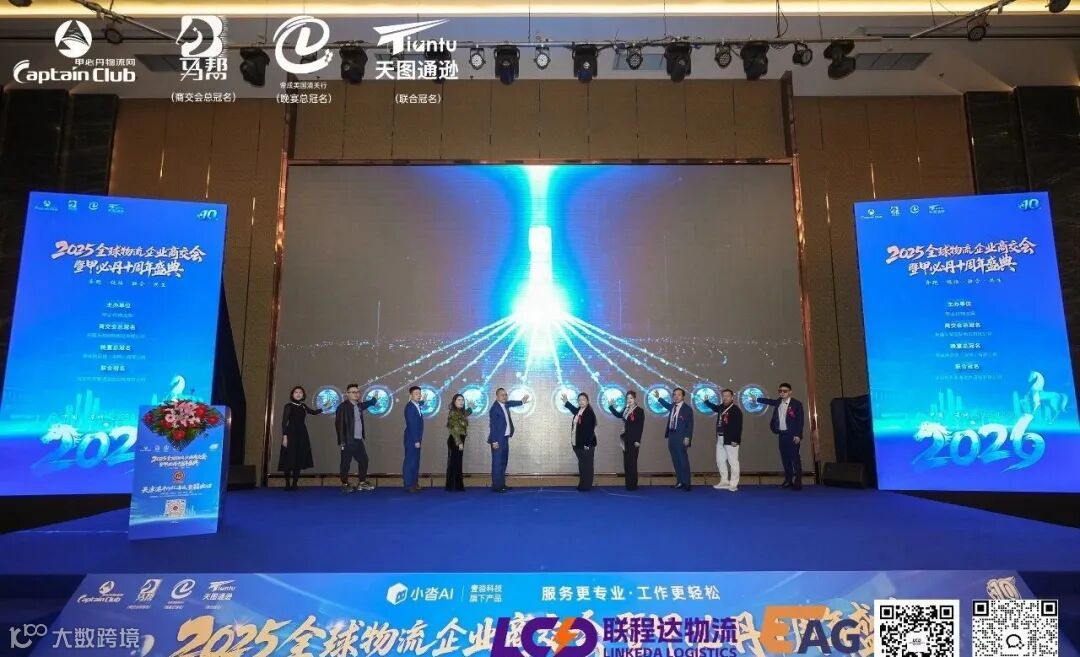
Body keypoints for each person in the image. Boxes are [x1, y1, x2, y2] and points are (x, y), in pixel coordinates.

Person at [756, 382, 806, 490]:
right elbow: (770, 402)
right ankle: (788, 480)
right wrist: (757, 399)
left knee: (795, 459)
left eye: (785, 391)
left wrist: (798, 435)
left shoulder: (797, 404)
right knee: (785, 459)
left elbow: (800, 421)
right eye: (780, 391)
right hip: (782, 434)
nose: (782, 393)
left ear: (790, 392)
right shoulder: (779, 401)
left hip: (792, 435)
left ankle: (798, 482)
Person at [335, 384, 379, 493]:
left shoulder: (358, 405)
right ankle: (345, 484)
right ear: (347, 394)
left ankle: (362, 482)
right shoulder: (342, 407)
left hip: (358, 440)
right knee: (345, 463)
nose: (356, 394)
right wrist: (342, 442)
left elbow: (367, 404)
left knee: (364, 460)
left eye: (357, 392)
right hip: (347, 440)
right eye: (353, 392)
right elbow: (339, 425)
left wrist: (373, 400)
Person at [278, 385, 323, 491]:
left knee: (298, 458)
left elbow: (313, 412)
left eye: (300, 392)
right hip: (290, 434)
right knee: (288, 459)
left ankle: (295, 484)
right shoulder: (288, 406)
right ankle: (287, 484)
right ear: (292, 394)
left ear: (303, 395)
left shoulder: (303, 406)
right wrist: (284, 437)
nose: (298, 394)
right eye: (296, 392)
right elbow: (284, 422)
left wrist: (324, 407)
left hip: (302, 434)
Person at [487, 387, 529, 493]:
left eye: (506, 394)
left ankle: (502, 484)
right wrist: (494, 441)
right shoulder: (494, 408)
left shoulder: (505, 404)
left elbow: (511, 403)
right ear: (497, 396)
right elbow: (493, 426)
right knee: (497, 464)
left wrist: (522, 402)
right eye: (502, 395)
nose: (505, 396)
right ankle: (497, 486)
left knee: (503, 462)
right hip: (497, 440)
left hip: (505, 439)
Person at [703, 388, 744, 491]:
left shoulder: (735, 410)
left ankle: (733, 484)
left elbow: (738, 427)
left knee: (733, 462)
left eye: (727, 396)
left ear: (732, 397)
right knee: (720, 460)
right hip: (720, 438)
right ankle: (724, 481)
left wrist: (735, 439)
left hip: (731, 440)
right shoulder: (721, 407)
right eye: (724, 396)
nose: (725, 398)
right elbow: (715, 408)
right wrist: (707, 402)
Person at [655, 387, 694, 491]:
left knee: (683, 460)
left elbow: (690, 425)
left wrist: (687, 437)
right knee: (675, 460)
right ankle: (680, 481)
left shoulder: (687, 409)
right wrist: (659, 398)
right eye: (674, 395)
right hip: (672, 436)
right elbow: (666, 404)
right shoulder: (672, 406)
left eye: (679, 395)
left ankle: (686, 483)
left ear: (683, 396)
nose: (676, 396)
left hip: (681, 437)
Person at [562, 392, 597, 491]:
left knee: (587, 466)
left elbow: (590, 431)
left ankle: (587, 486)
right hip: (577, 443)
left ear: (587, 401)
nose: (581, 401)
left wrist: (587, 444)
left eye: (583, 399)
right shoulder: (579, 411)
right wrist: (566, 402)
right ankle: (582, 484)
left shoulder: (589, 413)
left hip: (586, 445)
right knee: (582, 465)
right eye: (579, 400)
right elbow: (573, 409)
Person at [609, 391, 644, 490]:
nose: (629, 400)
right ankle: (628, 484)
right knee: (626, 462)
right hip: (625, 438)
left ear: (635, 399)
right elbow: (619, 415)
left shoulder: (639, 411)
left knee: (632, 462)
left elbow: (640, 426)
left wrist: (637, 440)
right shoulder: (626, 409)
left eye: (631, 398)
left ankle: (633, 485)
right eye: (627, 398)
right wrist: (611, 407)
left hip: (633, 440)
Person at [445, 393, 473, 492]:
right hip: (455, 439)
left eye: (462, 400)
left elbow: (465, 414)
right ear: (454, 402)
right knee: (455, 463)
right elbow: (454, 429)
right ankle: (453, 486)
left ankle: (456, 486)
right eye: (459, 400)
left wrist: (470, 408)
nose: (461, 402)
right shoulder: (453, 412)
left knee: (457, 463)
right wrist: (459, 442)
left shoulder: (460, 412)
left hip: (459, 439)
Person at [403, 386, 425, 493]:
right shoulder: (410, 407)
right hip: (412, 439)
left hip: (416, 439)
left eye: (419, 393)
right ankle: (408, 485)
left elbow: (421, 403)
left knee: (415, 462)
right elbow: (412, 425)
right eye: (416, 393)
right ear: (410, 395)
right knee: (410, 462)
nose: (419, 395)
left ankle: (414, 483)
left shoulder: (416, 405)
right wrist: (416, 440)